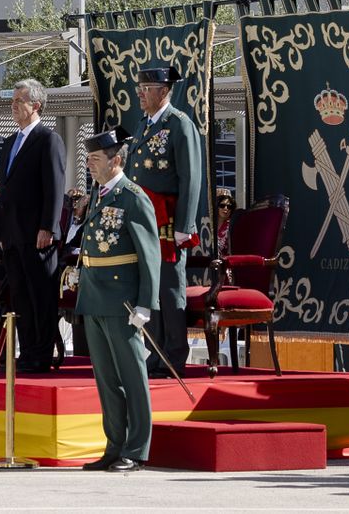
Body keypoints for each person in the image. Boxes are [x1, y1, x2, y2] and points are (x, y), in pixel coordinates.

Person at [76, 128, 160, 473]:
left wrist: (145, 303)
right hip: (95, 294)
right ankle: (114, 444)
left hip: (122, 298)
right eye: (90, 160)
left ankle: (137, 447)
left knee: (132, 375)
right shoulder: (99, 193)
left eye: (95, 160)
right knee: (106, 378)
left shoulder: (132, 196)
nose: (90, 166)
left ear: (117, 161)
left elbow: (149, 254)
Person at [128, 65, 203, 376]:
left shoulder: (179, 124)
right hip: (144, 218)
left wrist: (185, 225)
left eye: (145, 89)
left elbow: (191, 176)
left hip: (168, 219)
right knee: (150, 287)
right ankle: (156, 351)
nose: (140, 94)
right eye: (139, 88)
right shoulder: (143, 126)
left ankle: (173, 354)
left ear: (162, 91)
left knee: (169, 287)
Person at [0, 79, 66, 374]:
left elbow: (54, 186)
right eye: (12, 101)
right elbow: (4, 190)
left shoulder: (48, 139)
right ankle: (27, 350)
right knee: (20, 294)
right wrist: (0, 231)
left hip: (38, 233)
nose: (13, 106)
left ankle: (42, 351)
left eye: (19, 101)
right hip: (12, 233)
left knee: (41, 295)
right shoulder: (11, 142)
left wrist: (48, 226)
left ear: (35, 105)